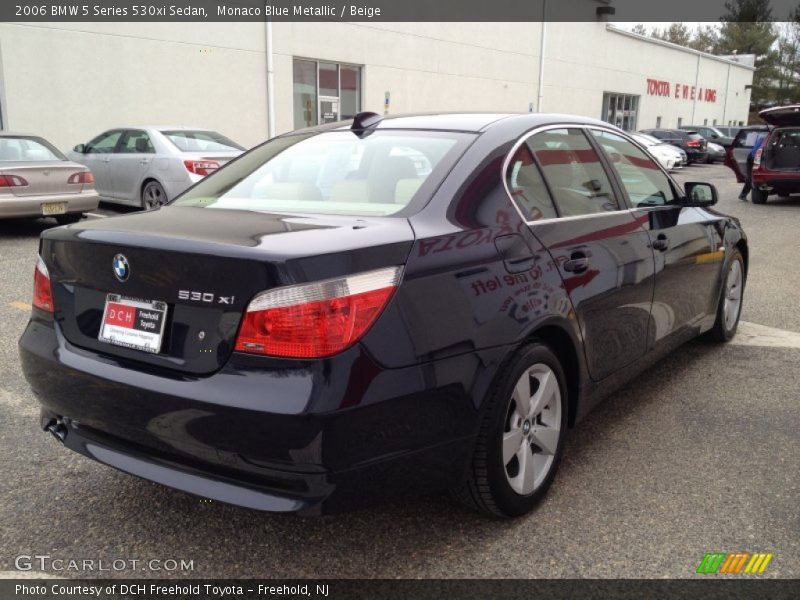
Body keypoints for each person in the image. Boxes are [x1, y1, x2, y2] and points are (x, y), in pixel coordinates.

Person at [739, 132, 767, 201]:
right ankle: (743, 194)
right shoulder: (765, 139)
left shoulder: (764, 137)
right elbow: (756, 153)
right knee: (752, 178)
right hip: (753, 158)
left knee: (751, 178)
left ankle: (743, 194)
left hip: (753, 157)